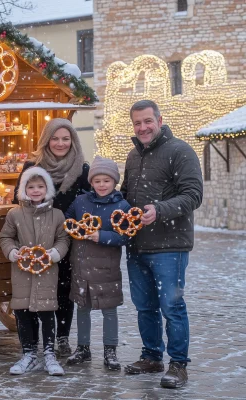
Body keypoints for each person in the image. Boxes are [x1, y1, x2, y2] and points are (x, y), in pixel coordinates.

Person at [121, 100, 203, 388]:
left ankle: (178, 365)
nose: (142, 127)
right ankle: (152, 356)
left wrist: (160, 209)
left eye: (147, 121)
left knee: (172, 306)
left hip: (170, 246)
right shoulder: (133, 156)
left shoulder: (180, 151)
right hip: (136, 246)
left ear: (159, 120)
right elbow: (125, 196)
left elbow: (193, 195)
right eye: (137, 123)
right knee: (145, 307)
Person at [13, 118, 91, 356]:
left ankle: (63, 338)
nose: (60, 143)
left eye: (65, 138)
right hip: (34, 240)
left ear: (73, 140)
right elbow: (19, 200)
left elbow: (87, 205)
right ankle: (35, 341)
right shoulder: (32, 166)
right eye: (55, 138)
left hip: (67, 241)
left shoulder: (82, 169)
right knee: (34, 291)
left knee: (64, 290)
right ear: (46, 140)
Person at [0, 166, 70, 376]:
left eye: (40, 186)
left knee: (47, 313)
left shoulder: (57, 215)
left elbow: (63, 238)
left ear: (47, 189)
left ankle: (49, 353)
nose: (36, 190)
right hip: (22, 273)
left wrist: (55, 254)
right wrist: (13, 253)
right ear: (24, 189)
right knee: (22, 313)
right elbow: (6, 237)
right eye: (31, 186)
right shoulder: (15, 214)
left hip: (47, 271)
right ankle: (28, 353)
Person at [64, 156, 131, 370]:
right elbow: (68, 221)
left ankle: (110, 351)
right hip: (81, 266)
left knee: (109, 310)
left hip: (106, 269)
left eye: (107, 181)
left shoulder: (121, 206)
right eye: (98, 181)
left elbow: (125, 236)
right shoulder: (81, 202)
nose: (102, 185)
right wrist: (76, 230)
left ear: (114, 182)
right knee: (82, 308)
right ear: (91, 182)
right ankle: (83, 348)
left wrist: (101, 236)